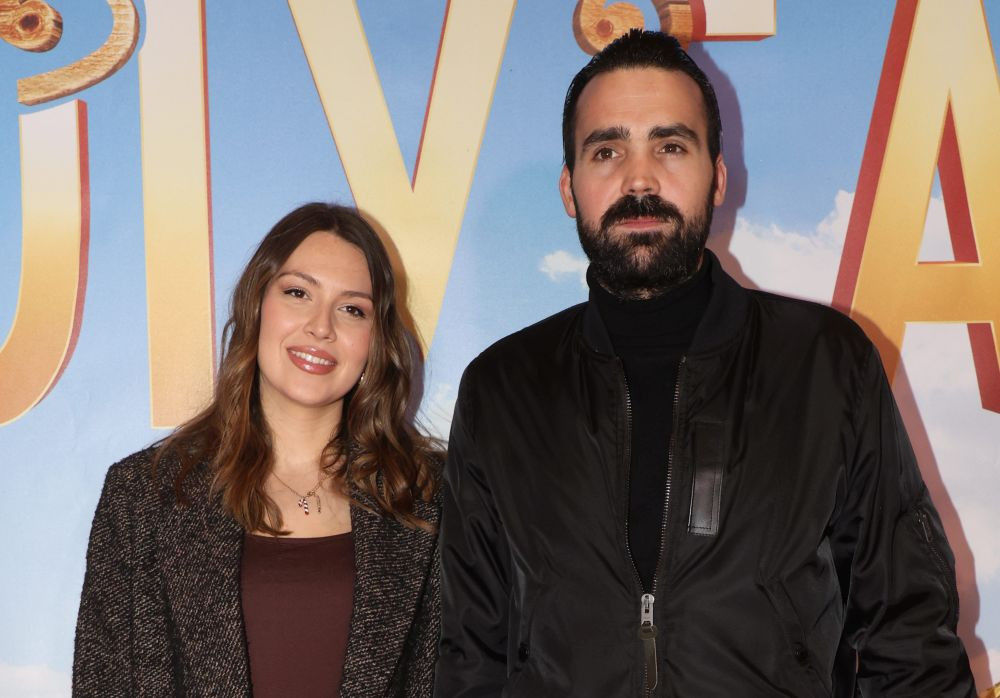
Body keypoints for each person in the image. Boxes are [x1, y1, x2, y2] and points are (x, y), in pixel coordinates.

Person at [435, 30, 976, 697]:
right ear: (569, 188)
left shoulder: (825, 365)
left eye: (670, 146)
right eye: (606, 150)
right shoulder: (501, 388)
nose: (639, 179)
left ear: (717, 177)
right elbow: (470, 656)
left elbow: (911, 639)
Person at [73, 203, 441, 697]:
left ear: (375, 340)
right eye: (298, 293)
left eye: (353, 309)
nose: (321, 326)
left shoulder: (431, 497)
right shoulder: (144, 495)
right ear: (256, 304)